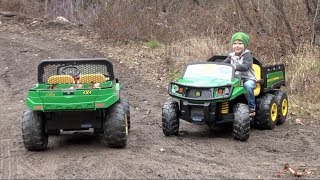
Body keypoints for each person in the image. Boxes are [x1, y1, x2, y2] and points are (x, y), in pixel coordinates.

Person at [223, 32, 257, 116]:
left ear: (245, 45)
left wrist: (234, 66)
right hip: (234, 79)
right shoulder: (231, 56)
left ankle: (252, 108)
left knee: (248, 86)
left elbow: (245, 66)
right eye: (235, 43)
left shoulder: (248, 55)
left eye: (240, 43)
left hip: (248, 78)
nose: (237, 46)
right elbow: (224, 64)